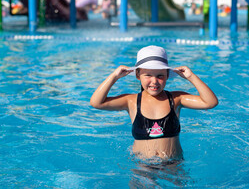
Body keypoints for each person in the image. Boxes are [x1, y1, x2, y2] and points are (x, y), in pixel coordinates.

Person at [90, 46, 218, 161]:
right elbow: (96, 103)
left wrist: (191, 77)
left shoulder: (176, 99)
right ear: (138, 75)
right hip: (142, 166)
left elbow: (210, 102)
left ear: (168, 75)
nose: (154, 81)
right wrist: (114, 76)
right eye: (148, 75)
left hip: (173, 165)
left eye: (160, 76)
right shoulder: (131, 101)